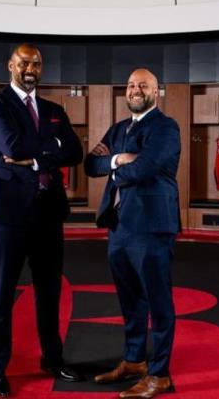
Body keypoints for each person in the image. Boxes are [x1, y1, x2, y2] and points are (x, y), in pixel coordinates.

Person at [0, 43, 84, 397]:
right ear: (10, 65)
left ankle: (53, 359)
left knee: (49, 294)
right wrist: (52, 147)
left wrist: (37, 158)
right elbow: (12, 146)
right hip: (8, 214)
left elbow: (75, 151)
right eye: (24, 62)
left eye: (36, 64)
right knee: (0, 296)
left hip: (48, 213)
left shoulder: (54, 109)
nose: (30, 69)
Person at [84, 68, 180, 398]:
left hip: (152, 226)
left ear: (157, 91)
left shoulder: (166, 127)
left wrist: (118, 168)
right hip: (120, 225)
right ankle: (135, 361)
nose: (135, 90)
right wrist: (119, 160)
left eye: (143, 85)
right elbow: (90, 164)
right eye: (130, 85)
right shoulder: (118, 128)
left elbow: (145, 168)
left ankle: (160, 374)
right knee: (130, 300)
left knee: (158, 301)